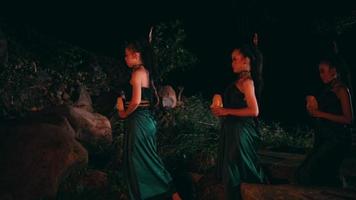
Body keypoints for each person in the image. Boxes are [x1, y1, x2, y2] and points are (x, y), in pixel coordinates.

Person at [118, 37, 181, 200]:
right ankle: (169, 194)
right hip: (145, 120)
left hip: (139, 121)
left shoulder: (138, 72)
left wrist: (123, 113)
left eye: (127, 55)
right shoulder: (145, 71)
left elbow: (137, 101)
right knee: (147, 157)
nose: (125, 58)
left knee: (141, 159)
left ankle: (168, 193)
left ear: (136, 55)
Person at [211, 44, 267, 199]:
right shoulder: (240, 81)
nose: (232, 63)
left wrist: (226, 111)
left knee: (231, 170)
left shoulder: (247, 83)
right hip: (232, 130)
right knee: (230, 170)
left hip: (241, 131)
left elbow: (254, 111)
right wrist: (219, 107)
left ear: (245, 61)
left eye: (235, 59)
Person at [295, 57, 353, 187]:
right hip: (325, 137)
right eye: (319, 72)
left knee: (307, 174)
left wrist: (319, 113)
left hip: (337, 139)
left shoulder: (342, 90)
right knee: (302, 173)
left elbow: (348, 119)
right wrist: (311, 103)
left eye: (323, 71)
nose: (321, 75)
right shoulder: (326, 90)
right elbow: (321, 113)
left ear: (333, 71)